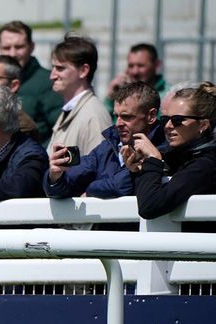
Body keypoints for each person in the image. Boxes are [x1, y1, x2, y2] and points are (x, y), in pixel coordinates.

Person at [45, 81, 164, 199]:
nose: (118, 124)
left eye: (127, 117)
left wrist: (91, 190)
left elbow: (121, 186)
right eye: (116, 116)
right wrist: (55, 176)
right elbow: (65, 185)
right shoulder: (105, 149)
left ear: (151, 116)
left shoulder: (163, 148)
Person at [124, 82, 216, 232]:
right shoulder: (176, 158)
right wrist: (138, 169)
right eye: (166, 119)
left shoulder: (206, 165)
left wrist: (153, 160)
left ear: (203, 125)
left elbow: (149, 207)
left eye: (178, 120)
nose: (168, 126)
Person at [0, 20, 64, 145]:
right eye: (6, 48)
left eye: (19, 47)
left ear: (31, 47)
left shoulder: (48, 82)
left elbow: (62, 131)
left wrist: (40, 159)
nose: (12, 54)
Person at [47, 34, 113, 158]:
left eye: (60, 68)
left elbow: (100, 171)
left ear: (83, 70)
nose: (52, 76)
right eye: (53, 68)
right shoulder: (71, 110)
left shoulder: (94, 117)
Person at [105, 43, 169, 115]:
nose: (135, 72)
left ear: (156, 64)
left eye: (140, 66)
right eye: (131, 66)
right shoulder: (121, 92)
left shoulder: (169, 95)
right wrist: (110, 98)